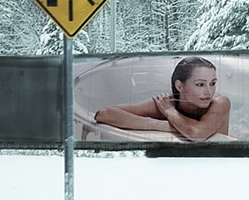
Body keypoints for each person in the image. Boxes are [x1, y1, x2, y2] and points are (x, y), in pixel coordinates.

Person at [94, 56, 231, 142]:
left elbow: (197, 134)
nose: (209, 91)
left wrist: (170, 113)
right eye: (200, 84)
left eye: (212, 83)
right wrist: (159, 124)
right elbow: (103, 114)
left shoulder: (220, 103)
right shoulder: (164, 103)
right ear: (179, 86)